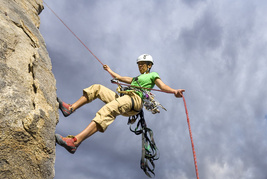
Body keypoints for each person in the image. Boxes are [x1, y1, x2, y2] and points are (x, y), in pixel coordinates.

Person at [55, 54, 184, 154]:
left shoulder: (153, 75)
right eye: (139, 64)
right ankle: (70, 109)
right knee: (97, 88)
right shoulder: (136, 79)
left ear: (149, 65)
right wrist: (110, 70)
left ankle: (75, 142)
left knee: (107, 110)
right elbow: (122, 78)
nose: (140, 66)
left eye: (143, 64)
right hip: (126, 97)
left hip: (135, 100)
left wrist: (174, 91)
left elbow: (162, 86)